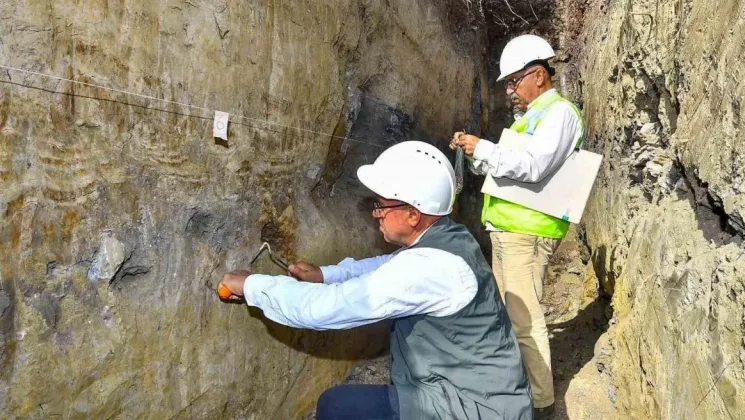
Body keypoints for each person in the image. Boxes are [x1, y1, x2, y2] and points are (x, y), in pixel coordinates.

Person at [218, 141, 533, 420]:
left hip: (478, 409)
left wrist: (250, 284)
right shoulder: (448, 237)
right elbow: (389, 265)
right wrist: (325, 274)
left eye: (382, 206)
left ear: (413, 214)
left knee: (338, 406)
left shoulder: (430, 268)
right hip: (484, 395)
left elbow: (323, 309)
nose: (376, 214)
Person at [450, 34, 585, 419]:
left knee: (526, 321)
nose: (510, 89)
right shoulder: (529, 119)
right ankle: (522, 387)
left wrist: (486, 149)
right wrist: (475, 155)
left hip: (528, 232)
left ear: (538, 76)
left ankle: (541, 402)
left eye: (514, 80)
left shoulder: (558, 114)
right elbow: (508, 169)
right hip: (510, 230)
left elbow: (535, 167)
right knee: (513, 316)